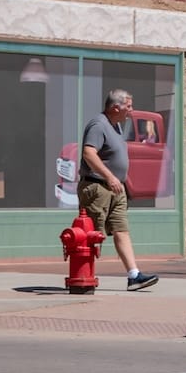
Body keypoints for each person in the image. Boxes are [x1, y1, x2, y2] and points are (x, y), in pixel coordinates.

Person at [78, 89, 159, 291]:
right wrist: (109, 176)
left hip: (116, 189)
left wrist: (118, 181)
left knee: (121, 230)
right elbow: (89, 153)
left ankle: (134, 276)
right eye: (128, 106)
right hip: (97, 187)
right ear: (116, 107)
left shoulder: (116, 127)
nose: (131, 111)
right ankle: (82, 278)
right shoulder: (98, 125)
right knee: (92, 235)